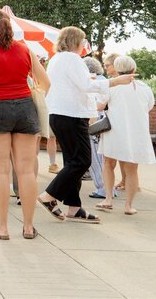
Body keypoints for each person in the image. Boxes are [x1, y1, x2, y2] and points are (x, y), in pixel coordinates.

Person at [37, 28, 136, 224]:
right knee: (82, 161)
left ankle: (74, 207)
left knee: (72, 160)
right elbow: (86, 86)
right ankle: (49, 196)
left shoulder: (57, 59)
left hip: (60, 114)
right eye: (83, 41)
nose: (84, 45)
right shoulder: (72, 59)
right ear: (76, 41)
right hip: (72, 115)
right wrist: (115, 81)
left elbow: (76, 84)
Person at [0, 9, 50, 240]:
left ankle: (2, 228)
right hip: (25, 109)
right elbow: (45, 82)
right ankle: (28, 227)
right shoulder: (26, 50)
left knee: (0, 171)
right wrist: (29, 97)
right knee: (26, 170)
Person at [95, 56, 155, 215]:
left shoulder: (112, 86)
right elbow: (149, 106)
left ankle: (108, 199)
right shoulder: (144, 87)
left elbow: (99, 105)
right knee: (132, 170)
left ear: (116, 68)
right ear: (134, 69)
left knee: (108, 164)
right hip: (136, 132)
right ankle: (129, 206)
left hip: (114, 129)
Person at [81, 57, 114, 200]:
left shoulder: (93, 81)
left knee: (95, 157)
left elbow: (97, 104)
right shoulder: (104, 79)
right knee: (102, 157)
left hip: (94, 122)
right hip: (103, 121)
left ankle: (103, 188)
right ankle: (108, 188)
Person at [103, 53, 127, 191]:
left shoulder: (115, 83)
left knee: (114, 158)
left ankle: (124, 182)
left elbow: (101, 104)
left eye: (107, 65)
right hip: (121, 122)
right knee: (124, 155)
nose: (105, 68)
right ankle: (125, 181)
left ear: (115, 65)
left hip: (117, 123)